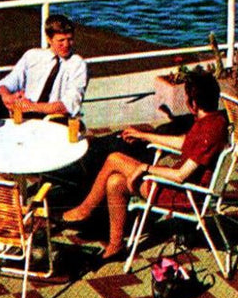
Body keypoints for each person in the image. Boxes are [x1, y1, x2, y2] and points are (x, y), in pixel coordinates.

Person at [60, 70, 228, 265]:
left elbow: (181, 175)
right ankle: (116, 245)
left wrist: (145, 168)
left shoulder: (208, 131)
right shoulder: (215, 120)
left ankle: (85, 210)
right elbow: (184, 143)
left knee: (115, 158)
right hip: (187, 187)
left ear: (193, 103)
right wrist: (143, 136)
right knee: (115, 182)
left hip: (185, 194)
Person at [0, 14, 88, 120]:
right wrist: (8, 97)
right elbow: (6, 84)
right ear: (49, 39)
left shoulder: (77, 64)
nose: (66, 45)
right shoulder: (32, 56)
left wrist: (31, 107)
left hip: (54, 119)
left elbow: (69, 105)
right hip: (23, 116)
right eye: (61, 40)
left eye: (70, 39)